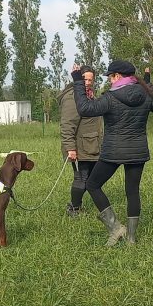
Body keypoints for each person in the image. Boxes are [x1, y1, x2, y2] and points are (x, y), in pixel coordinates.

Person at [71, 60, 153, 246]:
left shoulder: (110, 97)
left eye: (110, 76)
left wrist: (77, 81)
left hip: (113, 151)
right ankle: (131, 239)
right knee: (132, 191)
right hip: (138, 151)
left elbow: (85, 108)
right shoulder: (145, 94)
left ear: (117, 76)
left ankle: (116, 228)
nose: (109, 80)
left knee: (92, 184)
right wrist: (148, 84)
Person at [57, 65, 103, 216]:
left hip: (91, 145)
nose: (88, 82)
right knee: (81, 178)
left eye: (91, 79)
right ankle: (74, 209)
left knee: (90, 179)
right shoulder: (72, 96)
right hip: (80, 146)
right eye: (85, 79)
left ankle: (76, 206)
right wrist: (70, 148)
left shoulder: (89, 94)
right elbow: (67, 124)